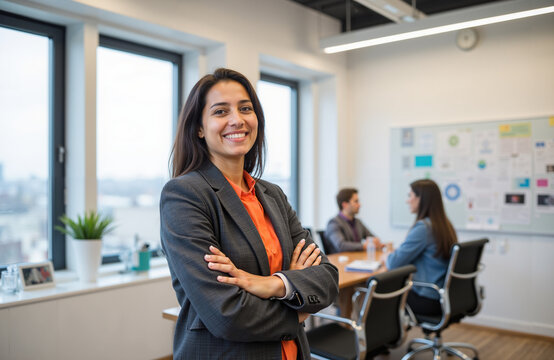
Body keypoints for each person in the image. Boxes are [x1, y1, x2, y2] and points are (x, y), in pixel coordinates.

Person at [160, 68, 339, 360]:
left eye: (246, 108)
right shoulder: (185, 195)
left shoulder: (272, 195)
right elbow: (226, 313)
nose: (237, 120)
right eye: (220, 111)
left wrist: (273, 284)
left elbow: (328, 278)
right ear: (199, 128)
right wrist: (298, 307)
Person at [383, 179, 458, 316]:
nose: (408, 201)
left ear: (421, 199)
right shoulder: (445, 225)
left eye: (410, 195)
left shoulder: (423, 228)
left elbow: (393, 264)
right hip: (442, 297)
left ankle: (382, 336)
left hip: (427, 299)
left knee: (379, 294)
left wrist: (387, 254)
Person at [324, 188, 380, 254]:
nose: (359, 205)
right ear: (345, 204)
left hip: (357, 260)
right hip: (340, 262)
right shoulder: (333, 223)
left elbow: (371, 237)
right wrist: (364, 246)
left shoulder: (358, 222)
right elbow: (341, 245)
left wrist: (375, 241)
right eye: (356, 201)